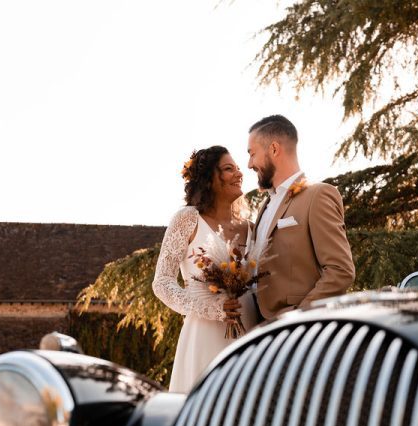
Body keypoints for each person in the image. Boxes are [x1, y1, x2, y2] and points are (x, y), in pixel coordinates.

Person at [152, 146, 257, 393]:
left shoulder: (253, 227)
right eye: (229, 169)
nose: (239, 174)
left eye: (238, 168)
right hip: (204, 336)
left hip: (250, 334)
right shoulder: (188, 219)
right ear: (210, 178)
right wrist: (213, 308)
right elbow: (162, 282)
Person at [248, 114, 355, 321]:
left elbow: (340, 270)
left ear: (274, 149)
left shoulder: (318, 195)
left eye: (252, 154)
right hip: (260, 330)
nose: (249, 163)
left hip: (298, 331)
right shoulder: (265, 205)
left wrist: (298, 318)